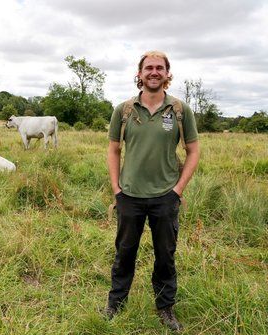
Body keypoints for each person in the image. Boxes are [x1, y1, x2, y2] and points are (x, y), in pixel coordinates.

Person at [104, 51, 200, 331]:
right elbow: (113, 150)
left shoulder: (180, 110)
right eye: (149, 68)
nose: (154, 72)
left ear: (168, 74)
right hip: (129, 196)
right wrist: (116, 189)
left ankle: (165, 308)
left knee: (165, 255)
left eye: (160, 68)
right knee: (124, 252)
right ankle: (115, 304)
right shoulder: (124, 110)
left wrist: (178, 190)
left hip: (165, 197)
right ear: (140, 73)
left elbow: (193, 151)